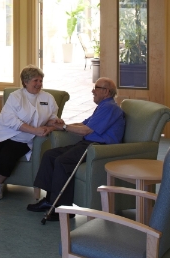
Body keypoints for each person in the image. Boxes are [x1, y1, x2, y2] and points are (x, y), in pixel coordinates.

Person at [27, 77, 125, 220]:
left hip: (98, 148)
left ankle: (62, 210)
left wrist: (65, 127)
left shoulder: (110, 107)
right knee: (50, 155)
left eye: (96, 88)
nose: (93, 91)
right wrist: (61, 125)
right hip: (88, 144)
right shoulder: (103, 106)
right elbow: (83, 124)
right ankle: (49, 201)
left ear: (106, 91)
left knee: (62, 161)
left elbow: (86, 130)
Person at [0, 65, 65, 200]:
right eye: (35, 81)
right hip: (2, 131)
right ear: (25, 82)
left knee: (7, 157)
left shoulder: (48, 98)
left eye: (40, 81)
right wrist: (34, 130)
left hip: (23, 137)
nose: (39, 84)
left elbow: (51, 118)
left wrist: (55, 123)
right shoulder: (16, 96)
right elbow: (9, 119)